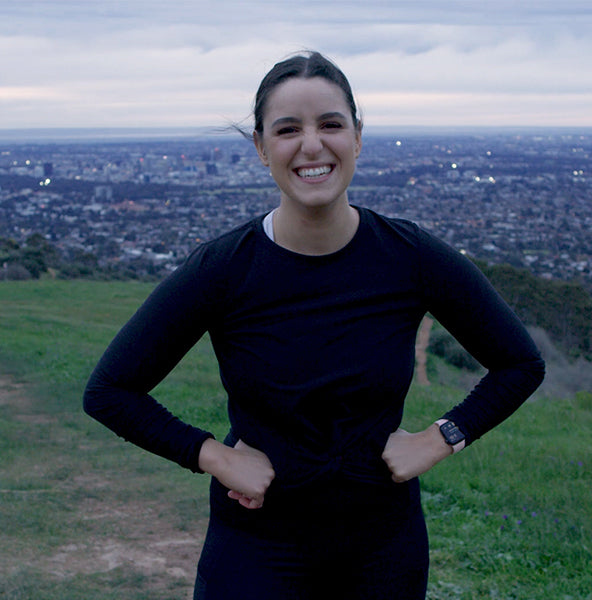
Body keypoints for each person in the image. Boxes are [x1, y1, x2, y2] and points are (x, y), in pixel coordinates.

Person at [83, 51, 545, 599]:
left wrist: (442, 437)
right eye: (287, 129)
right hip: (256, 550)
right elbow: (110, 390)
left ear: (357, 137)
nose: (311, 144)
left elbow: (520, 363)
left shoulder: (410, 257)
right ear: (260, 148)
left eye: (331, 124)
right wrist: (214, 455)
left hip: (382, 552)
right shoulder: (225, 269)